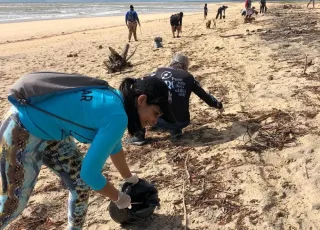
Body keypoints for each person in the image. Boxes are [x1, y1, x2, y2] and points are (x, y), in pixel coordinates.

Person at [0, 72, 175, 229]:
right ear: (142, 100)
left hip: (52, 134)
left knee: (80, 186)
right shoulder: (117, 117)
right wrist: (118, 198)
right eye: (156, 113)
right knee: (13, 205)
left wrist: (129, 177)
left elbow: (115, 147)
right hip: (21, 129)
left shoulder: (115, 98)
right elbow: (90, 174)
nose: (154, 121)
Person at [127, 53, 224, 145]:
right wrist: (218, 105)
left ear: (171, 62)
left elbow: (141, 83)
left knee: (144, 101)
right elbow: (205, 96)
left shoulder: (159, 72)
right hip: (182, 122)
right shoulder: (189, 77)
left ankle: (139, 136)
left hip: (159, 119)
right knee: (176, 102)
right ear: (185, 66)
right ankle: (175, 131)